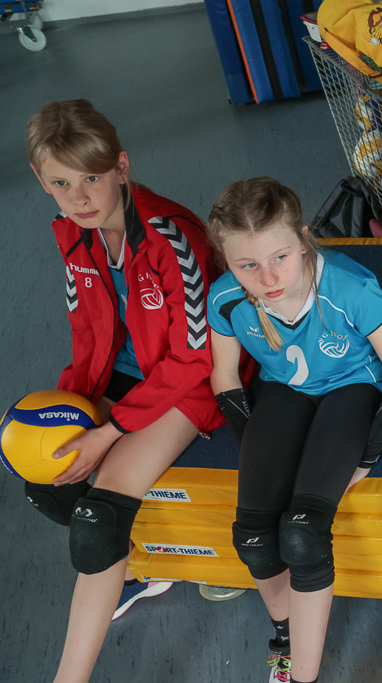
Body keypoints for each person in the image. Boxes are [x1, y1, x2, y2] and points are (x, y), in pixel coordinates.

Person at [26, 99, 223, 683]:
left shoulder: (172, 238)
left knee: (97, 517)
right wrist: (67, 412)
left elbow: (194, 358)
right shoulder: (74, 234)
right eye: (61, 183)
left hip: (190, 381)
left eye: (92, 177)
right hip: (128, 374)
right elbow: (86, 334)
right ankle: (143, 566)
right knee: (47, 483)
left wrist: (108, 431)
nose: (79, 197)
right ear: (41, 181)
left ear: (121, 165)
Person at [206, 177, 382, 683]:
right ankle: (285, 634)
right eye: (247, 265)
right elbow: (224, 376)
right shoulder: (227, 298)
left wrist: (366, 458)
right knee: (253, 539)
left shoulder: (349, 288)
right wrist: (260, 454)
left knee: (302, 534)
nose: (267, 277)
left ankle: (304, 677)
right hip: (285, 391)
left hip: (352, 389)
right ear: (226, 261)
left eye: (279, 257)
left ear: (303, 239)